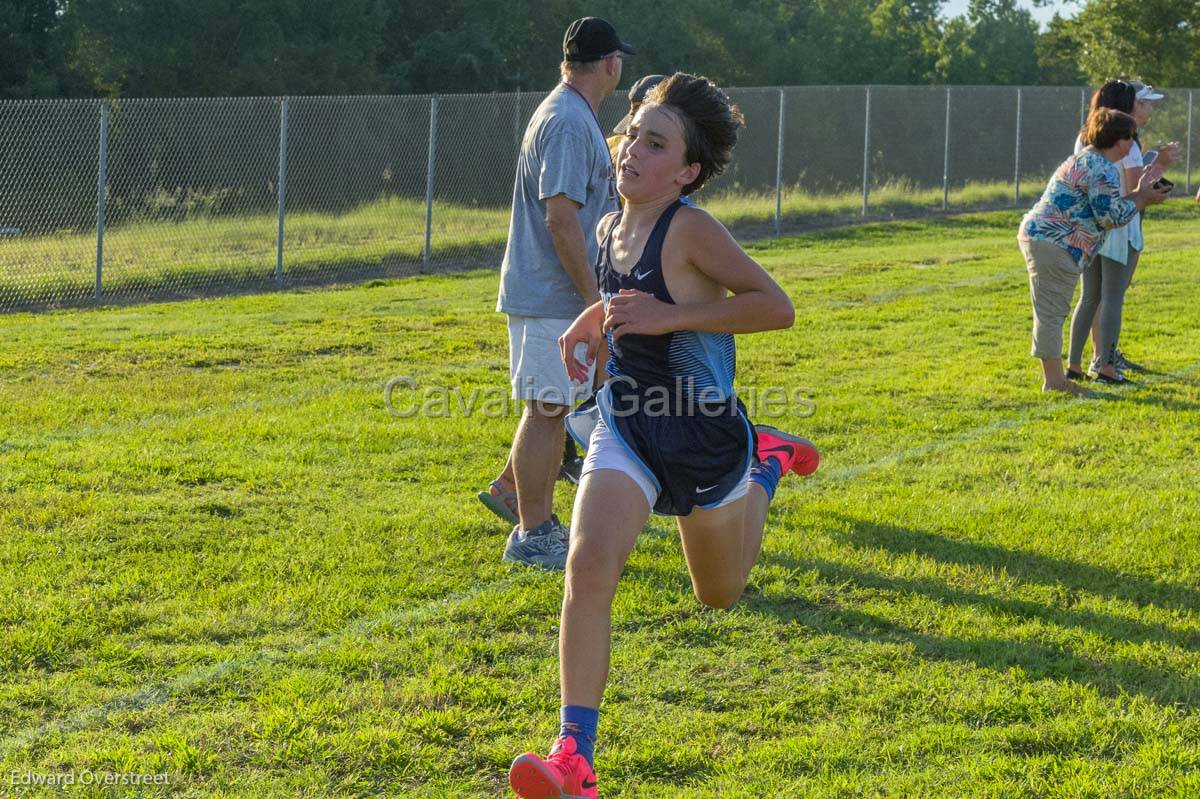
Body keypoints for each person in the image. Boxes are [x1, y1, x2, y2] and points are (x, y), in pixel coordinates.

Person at [507, 72, 820, 799]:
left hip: (704, 439)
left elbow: (775, 308)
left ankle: (765, 462)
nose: (632, 151)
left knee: (719, 594)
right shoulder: (610, 226)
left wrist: (669, 318)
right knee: (588, 568)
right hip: (626, 424)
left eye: (655, 143)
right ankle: (573, 757)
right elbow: (631, 303)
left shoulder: (694, 229)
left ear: (686, 171)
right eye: (630, 136)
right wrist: (597, 319)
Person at [480, 17, 633, 569]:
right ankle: (533, 533)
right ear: (612, 65)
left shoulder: (569, 112)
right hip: (553, 294)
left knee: (553, 404)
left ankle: (515, 497)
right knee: (546, 408)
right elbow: (561, 219)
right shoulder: (569, 121)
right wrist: (597, 299)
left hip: (553, 293)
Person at [1019, 108, 1168, 395]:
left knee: (1051, 309)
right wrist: (1143, 199)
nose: (1134, 143)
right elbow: (1109, 217)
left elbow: (1106, 207)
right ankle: (1055, 382)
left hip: (1045, 238)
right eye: (1131, 137)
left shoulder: (1089, 160)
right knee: (1052, 311)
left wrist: (1139, 192)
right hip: (1054, 243)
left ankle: (1056, 378)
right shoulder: (1101, 168)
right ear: (1120, 140)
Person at [1067, 81, 1177, 382]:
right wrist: (1160, 165)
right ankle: (1106, 366)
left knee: (1089, 297)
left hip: (1091, 223)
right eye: (1140, 103)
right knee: (1112, 296)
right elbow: (1133, 191)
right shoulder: (1125, 141)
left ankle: (1074, 365)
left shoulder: (1086, 136)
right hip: (1118, 225)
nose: (1146, 109)